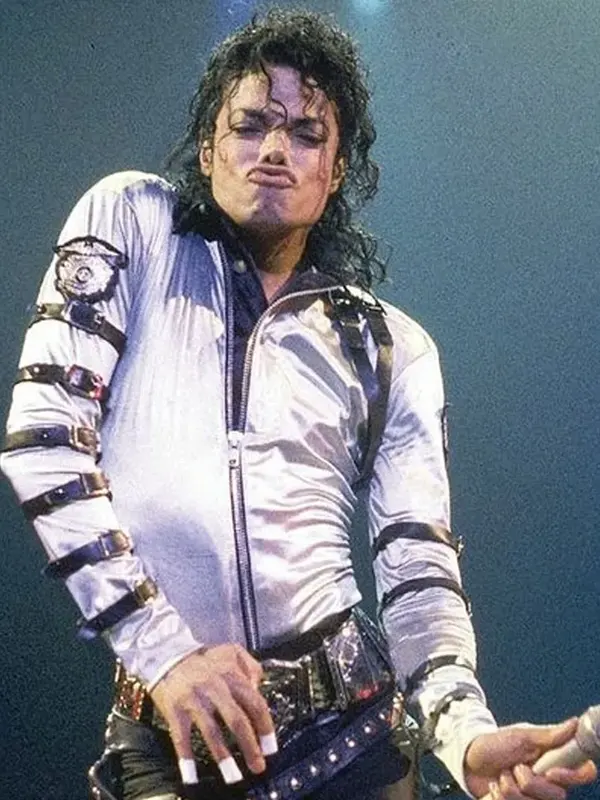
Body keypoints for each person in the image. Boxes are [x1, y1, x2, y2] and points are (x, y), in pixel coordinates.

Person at [1, 8, 596, 800]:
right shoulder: (133, 223)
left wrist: (463, 735)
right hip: (172, 737)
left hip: (354, 740)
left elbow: (417, 564)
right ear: (207, 149)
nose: (276, 149)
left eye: (307, 134)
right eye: (251, 125)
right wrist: (164, 652)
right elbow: (45, 441)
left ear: (337, 169)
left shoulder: (389, 345)